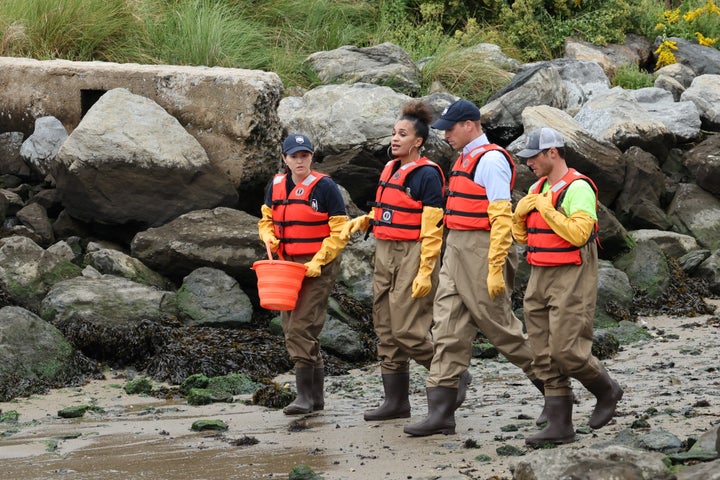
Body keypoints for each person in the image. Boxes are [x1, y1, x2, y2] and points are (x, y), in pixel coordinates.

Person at [403, 99, 544, 437]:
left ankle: (556, 393)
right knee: (447, 326)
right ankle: (441, 413)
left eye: (450, 128)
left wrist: (495, 267)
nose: (445, 135)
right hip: (457, 248)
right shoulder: (464, 157)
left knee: (502, 331)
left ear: (470, 125)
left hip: (483, 250)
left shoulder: (491, 160)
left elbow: (500, 217)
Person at [511, 127, 623, 447]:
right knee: (542, 350)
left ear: (553, 153)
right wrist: (519, 218)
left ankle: (606, 390)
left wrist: (545, 209)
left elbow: (578, 234)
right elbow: (524, 239)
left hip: (572, 272)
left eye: (534, 156)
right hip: (539, 274)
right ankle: (560, 424)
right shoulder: (536, 186)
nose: (528, 162)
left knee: (567, 351)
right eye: (527, 157)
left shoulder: (578, 188)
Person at [340, 100, 445, 421]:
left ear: (418, 142)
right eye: (393, 133)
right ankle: (396, 402)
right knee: (385, 327)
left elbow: (432, 228)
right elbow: (390, 208)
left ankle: (450, 375)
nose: (395, 139)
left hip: (414, 253)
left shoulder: (427, 175)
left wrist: (427, 270)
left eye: (402, 134)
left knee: (407, 330)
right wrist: (365, 220)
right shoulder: (389, 168)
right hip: (384, 250)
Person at [258, 133, 348, 415]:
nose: (300, 160)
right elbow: (266, 219)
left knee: (301, 327)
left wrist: (319, 261)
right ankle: (315, 399)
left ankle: (304, 398)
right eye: (294, 156)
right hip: (286, 263)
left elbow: (340, 232)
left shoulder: (326, 188)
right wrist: (269, 236)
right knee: (289, 325)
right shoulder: (275, 186)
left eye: (305, 155)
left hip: (319, 262)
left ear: (311, 157)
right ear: (285, 158)